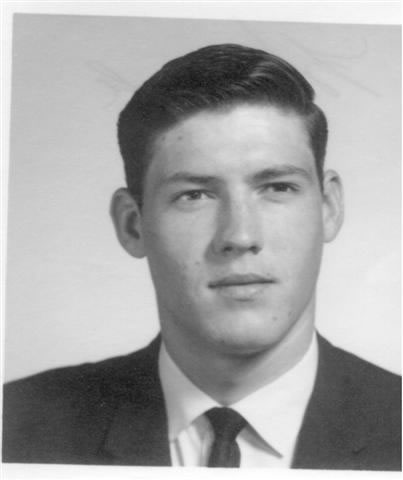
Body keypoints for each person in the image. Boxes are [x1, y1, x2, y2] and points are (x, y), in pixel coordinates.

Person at [2, 44, 401, 470]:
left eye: (277, 188)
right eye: (194, 195)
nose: (240, 236)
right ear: (132, 225)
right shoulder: (15, 427)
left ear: (329, 208)